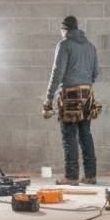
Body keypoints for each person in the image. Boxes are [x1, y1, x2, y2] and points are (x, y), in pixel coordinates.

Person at [43, 16, 100, 185]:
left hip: (69, 94)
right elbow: (95, 73)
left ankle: (71, 176)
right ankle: (90, 175)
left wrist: (49, 96)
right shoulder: (91, 47)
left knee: (69, 136)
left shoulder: (64, 44)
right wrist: (84, 85)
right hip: (87, 94)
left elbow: (57, 73)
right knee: (85, 134)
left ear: (64, 30)